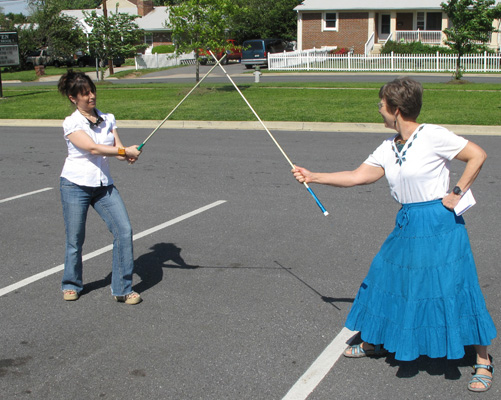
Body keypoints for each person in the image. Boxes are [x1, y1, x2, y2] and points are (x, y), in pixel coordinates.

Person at [292, 77, 496, 392]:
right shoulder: (389, 147)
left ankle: (483, 360)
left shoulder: (432, 135)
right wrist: (313, 176)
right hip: (408, 221)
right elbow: (358, 176)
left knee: (454, 285)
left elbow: (477, 155)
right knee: (386, 277)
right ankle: (379, 340)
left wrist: (456, 192)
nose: (379, 111)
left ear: (396, 110)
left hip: (439, 223)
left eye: (381, 106)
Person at [57, 70, 142, 305]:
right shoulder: (72, 122)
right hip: (75, 185)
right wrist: (124, 151)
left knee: (123, 231)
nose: (91, 96)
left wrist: (128, 155)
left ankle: (122, 288)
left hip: (104, 185)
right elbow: (93, 148)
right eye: (84, 94)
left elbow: (118, 149)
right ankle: (71, 284)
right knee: (75, 238)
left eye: (92, 91)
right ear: (73, 98)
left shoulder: (108, 118)